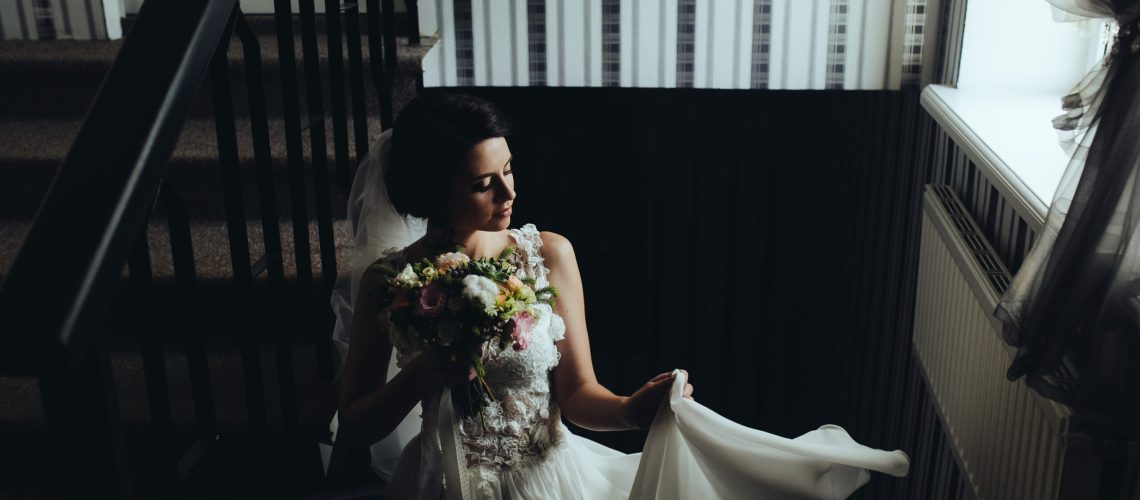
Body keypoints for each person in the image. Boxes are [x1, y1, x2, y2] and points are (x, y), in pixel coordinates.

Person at [329, 93, 909, 499]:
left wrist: (633, 408)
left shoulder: (548, 254)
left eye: (510, 169)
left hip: (546, 480)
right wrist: (424, 375)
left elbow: (578, 395)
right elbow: (354, 426)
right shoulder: (392, 281)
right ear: (435, 188)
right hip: (438, 483)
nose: (509, 191)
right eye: (483, 183)